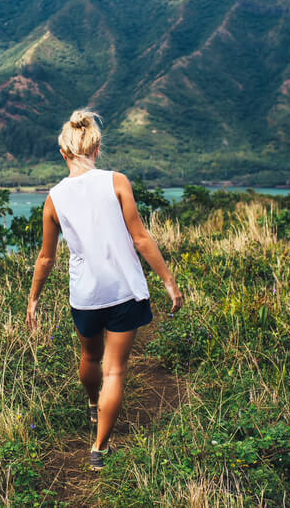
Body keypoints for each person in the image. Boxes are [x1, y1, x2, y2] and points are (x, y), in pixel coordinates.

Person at [26, 108, 183, 471]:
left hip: (85, 296)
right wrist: (168, 282)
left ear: (63, 153)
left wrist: (33, 300)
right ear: (96, 149)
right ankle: (99, 448)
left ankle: (92, 406)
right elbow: (141, 238)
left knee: (90, 359)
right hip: (124, 290)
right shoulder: (117, 181)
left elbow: (46, 258)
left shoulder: (54, 197)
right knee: (116, 371)